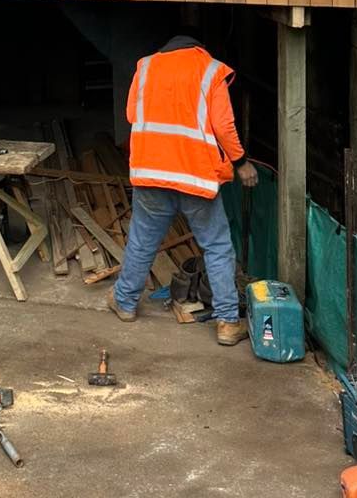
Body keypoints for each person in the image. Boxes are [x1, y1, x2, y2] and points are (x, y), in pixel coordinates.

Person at [109, 33, 258, 346]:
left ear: (167, 48)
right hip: (194, 177)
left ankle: (124, 304)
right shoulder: (210, 69)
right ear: (199, 48)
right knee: (217, 247)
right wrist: (241, 162)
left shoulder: (146, 66)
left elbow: (131, 116)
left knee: (141, 241)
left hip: (151, 174)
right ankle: (228, 323)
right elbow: (223, 125)